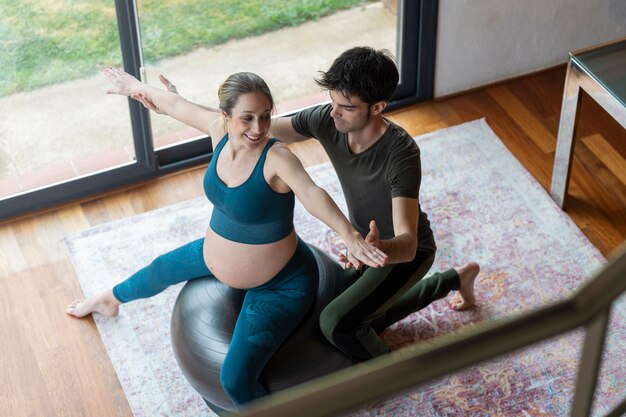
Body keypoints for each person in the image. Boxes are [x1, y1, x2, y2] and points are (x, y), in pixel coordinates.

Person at [66, 68, 387, 407]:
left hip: (280, 283)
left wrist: (350, 236)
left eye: (265, 117)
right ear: (225, 116)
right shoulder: (217, 130)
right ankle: (108, 300)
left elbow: (312, 193)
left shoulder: (277, 158)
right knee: (158, 269)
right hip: (212, 254)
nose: (258, 128)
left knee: (233, 380)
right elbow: (174, 103)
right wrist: (132, 86)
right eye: (247, 118)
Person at [138, 47, 481, 362]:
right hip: (364, 245)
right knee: (338, 308)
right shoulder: (327, 120)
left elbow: (408, 243)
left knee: (337, 324)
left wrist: (375, 249)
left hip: (403, 254)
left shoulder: (400, 154)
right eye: (331, 101)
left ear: (377, 108)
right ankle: (455, 279)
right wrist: (181, 104)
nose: (334, 113)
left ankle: (390, 374)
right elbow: (257, 128)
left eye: (346, 107)